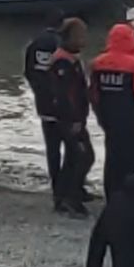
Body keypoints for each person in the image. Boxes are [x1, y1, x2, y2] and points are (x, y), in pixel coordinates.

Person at [91, 23, 134, 198]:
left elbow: (94, 95)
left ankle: (111, 194)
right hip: (131, 121)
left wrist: (101, 118)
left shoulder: (97, 64)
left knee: (111, 159)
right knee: (132, 160)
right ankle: (130, 196)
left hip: (108, 120)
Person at [48, 18, 96, 216]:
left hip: (75, 118)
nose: (84, 40)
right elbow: (64, 95)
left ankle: (65, 194)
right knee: (82, 156)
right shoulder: (63, 62)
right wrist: (74, 120)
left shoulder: (71, 59)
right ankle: (70, 197)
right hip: (69, 119)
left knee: (75, 156)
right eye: (80, 36)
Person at [25, 11, 64, 196]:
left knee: (52, 146)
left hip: (43, 101)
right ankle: (70, 186)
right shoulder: (61, 44)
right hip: (63, 104)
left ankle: (56, 184)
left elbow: (28, 72)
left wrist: (38, 91)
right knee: (74, 147)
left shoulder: (34, 43)